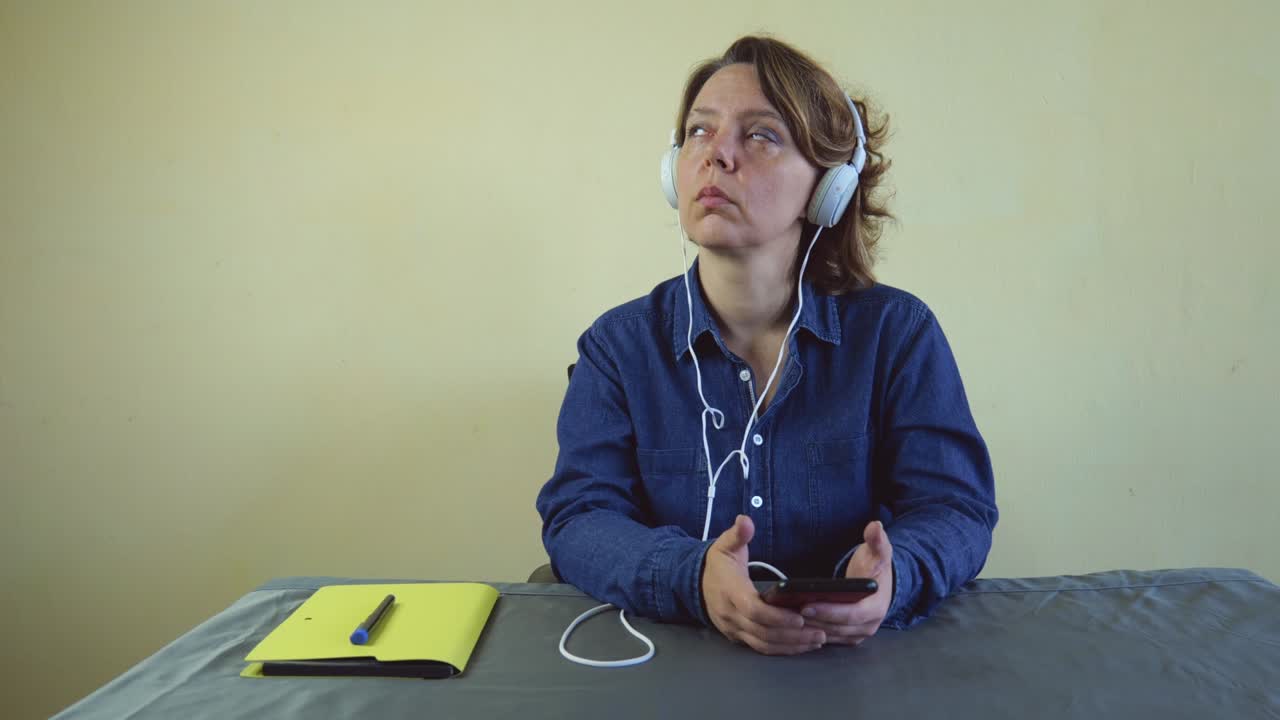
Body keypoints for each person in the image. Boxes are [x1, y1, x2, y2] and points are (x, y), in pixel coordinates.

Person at [536, 35, 998, 657]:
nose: (717, 155)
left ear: (828, 185)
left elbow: (956, 508)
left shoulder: (897, 334)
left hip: (858, 668)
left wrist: (897, 574)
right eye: (699, 132)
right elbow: (580, 516)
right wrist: (693, 577)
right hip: (673, 667)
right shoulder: (618, 348)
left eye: (760, 135)